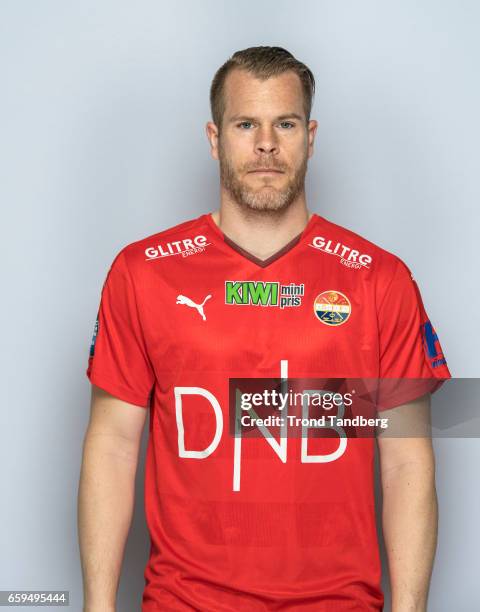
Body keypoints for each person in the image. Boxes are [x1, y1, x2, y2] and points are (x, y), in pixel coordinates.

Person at [78, 46, 451, 612]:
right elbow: (112, 445)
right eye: (245, 123)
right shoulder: (143, 272)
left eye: (286, 123)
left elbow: (406, 461)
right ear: (214, 138)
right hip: (183, 602)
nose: (266, 144)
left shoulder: (380, 279)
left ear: (311, 135)